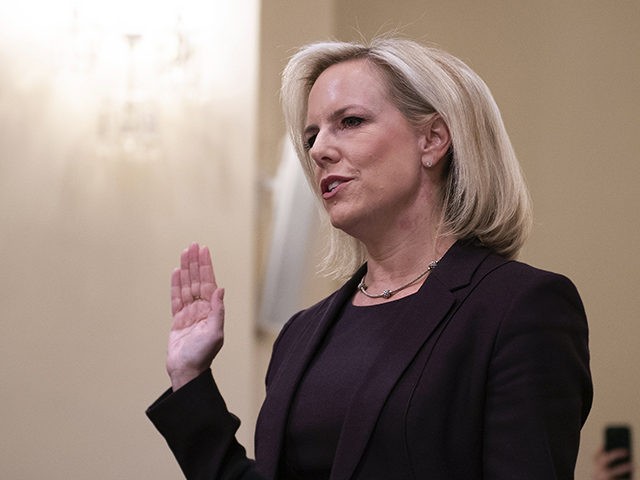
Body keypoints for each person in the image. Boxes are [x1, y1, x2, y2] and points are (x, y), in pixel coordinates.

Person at [146, 37, 593, 479]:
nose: (319, 149)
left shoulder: (519, 307)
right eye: (312, 135)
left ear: (433, 140)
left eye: (350, 121)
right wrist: (190, 376)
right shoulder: (301, 333)